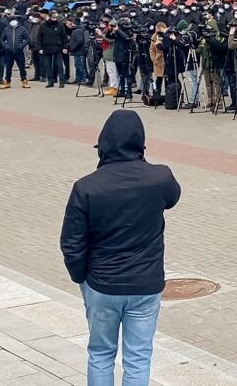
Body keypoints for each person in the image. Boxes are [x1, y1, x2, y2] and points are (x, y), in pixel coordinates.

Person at [60, 110, 181, 386]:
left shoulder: (86, 187)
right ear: (140, 143)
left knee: (101, 353)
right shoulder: (160, 178)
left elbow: (71, 242)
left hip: (102, 284)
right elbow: (173, 197)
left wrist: (82, 278)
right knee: (138, 357)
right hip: (145, 284)